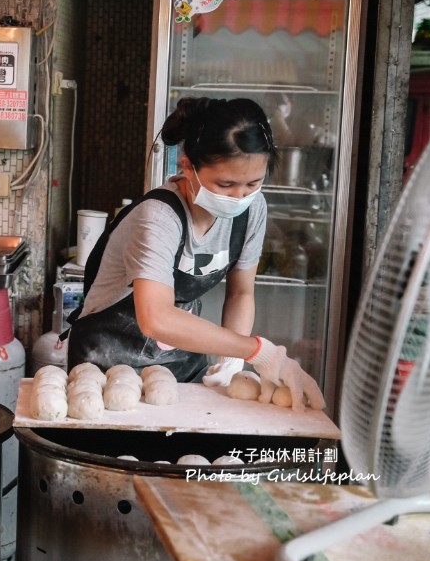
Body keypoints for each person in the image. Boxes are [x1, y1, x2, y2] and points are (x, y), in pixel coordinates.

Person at [65, 97, 324, 412]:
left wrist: (231, 360)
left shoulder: (253, 210)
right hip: (106, 366)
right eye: (226, 184)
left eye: (253, 183)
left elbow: (241, 293)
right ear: (188, 166)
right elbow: (156, 318)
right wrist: (259, 351)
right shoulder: (159, 217)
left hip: (181, 363)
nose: (240, 196)